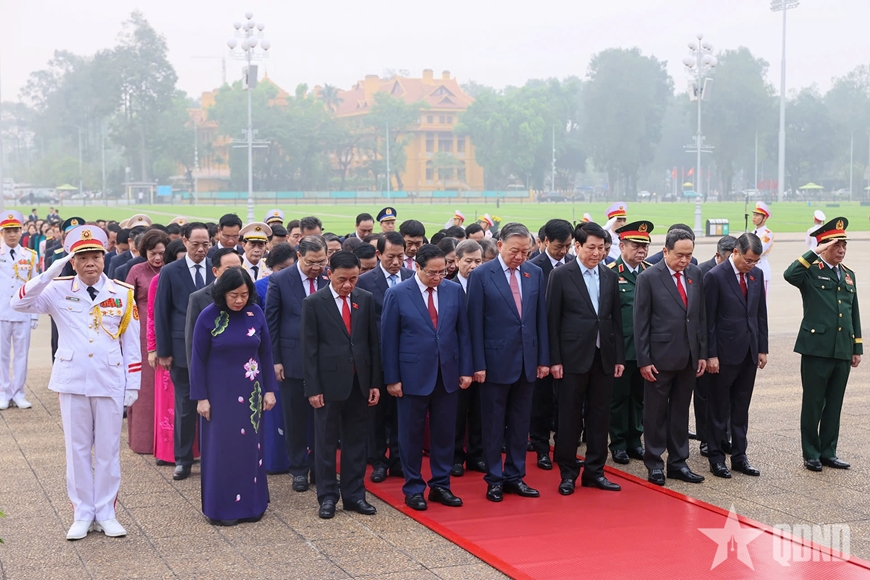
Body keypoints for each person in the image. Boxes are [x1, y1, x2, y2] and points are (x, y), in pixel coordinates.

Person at [12, 224, 140, 540]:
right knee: (77, 450)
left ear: (104, 256)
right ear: (73, 261)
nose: (90, 263)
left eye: (95, 255)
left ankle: (106, 512)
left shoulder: (122, 293)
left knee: (109, 450)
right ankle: (83, 512)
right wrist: (49, 271)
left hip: (110, 379)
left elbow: (133, 342)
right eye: (82, 257)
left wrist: (133, 383)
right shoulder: (57, 289)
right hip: (72, 381)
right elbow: (19, 303)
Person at [381, 244, 472, 511]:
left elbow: (463, 333)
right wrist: (392, 378)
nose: (438, 277)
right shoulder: (397, 293)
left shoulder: (453, 290)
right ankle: (413, 488)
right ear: (417, 267)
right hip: (411, 376)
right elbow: (388, 340)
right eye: (432, 272)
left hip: (447, 373)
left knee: (445, 433)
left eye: (442, 271)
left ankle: (441, 485)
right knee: (410, 434)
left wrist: (466, 369)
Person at [467, 222, 550, 503]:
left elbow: (540, 320)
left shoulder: (534, 273)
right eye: (515, 251)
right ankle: (494, 478)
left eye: (525, 252)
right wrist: (477, 363)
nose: (520, 257)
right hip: (494, 362)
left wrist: (543, 359)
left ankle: (515, 476)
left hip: (527, 361)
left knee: (519, 423)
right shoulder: (481, 275)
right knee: (493, 424)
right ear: (500, 245)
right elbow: (474, 323)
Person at [189, 267, 277, 526]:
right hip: (219, 394)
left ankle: (252, 504)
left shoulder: (255, 313)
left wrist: (270, 389)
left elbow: (267, 354)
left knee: (251, 448)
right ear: (222, 293)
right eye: (233, 295)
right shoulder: (208, 316)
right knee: (222, 450)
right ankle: (223, 507)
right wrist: (201, 397)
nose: (239, 300)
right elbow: (198, 359)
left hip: (252, 390)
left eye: (244, 295)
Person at [301, 251, 381, 519]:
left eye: (354, 279)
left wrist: (373, 383)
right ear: (329, 275)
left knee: (356, 442)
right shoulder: (314, 302)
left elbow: (372, 344)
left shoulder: (365, 299)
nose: (348, 285)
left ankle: (354, 495)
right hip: (328, 384)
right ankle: (327, 497)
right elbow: (309, 349)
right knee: (324, 443)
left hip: (359, 382)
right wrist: (313, 388)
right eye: (342, 279)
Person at [548, 222, 624, 495]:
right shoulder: (561, 275)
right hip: (571, 358)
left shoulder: (610, 276)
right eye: (591, 247)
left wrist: (618, 358)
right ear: (577, 246)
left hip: (603, 357)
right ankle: (568, 473)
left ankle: (595, 471)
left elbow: (615, 320)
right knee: (569, 418)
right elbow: (552, 320)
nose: (597, 253)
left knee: (599, 417)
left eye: (602, 248)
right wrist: (554, 359)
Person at [784, 217, 861, 472]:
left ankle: (829, 451)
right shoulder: (810, 271)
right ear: (823, 245)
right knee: (814, 402)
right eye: (836, 245)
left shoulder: (848, 275)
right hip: (816, 348)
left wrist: (856, 347)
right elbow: (789, 274)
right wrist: (813, 251)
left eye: (844, 246)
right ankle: (811, 453)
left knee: (834, 403)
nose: (841, 250)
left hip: (841, 348)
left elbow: (854, 313)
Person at [634, 226, 707, 487]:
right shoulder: (649, 277)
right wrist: (644, 359)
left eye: (689, 255)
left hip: (688, 357)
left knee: (679, 411)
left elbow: (700, 318)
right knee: (654, 412)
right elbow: (640, 322)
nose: (684, 260)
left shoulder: (695, 274)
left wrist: (702, 353)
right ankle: (654, 462)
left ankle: (678, 462)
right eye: (679, 255)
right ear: (665, 251)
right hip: (659, 357)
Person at [265, 235, 330, 492]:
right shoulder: (280, 280)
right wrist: (276, 360)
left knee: (323, 418)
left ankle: (320, 467)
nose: (317, 267)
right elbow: (271, 322)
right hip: (292, 359)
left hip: (325, 360)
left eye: (322, 261)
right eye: (312, 262)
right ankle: (299, 469)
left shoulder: (329, 277)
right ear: (299, 257)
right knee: (295, 418)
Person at [154, 222, 215, 481]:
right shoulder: (170, 271)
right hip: (181, 349)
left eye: (206, 244)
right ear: (184, 242)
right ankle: (183, 459)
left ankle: (213, 456)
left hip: (215, 347)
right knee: (186, 405)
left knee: (215, 404)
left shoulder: (217, 268)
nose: (201, 249)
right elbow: (162, 313)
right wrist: (164, 351)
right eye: (196, 244)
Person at [704, 233, 768, 479]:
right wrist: (711, 355)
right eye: (748, 260)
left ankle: (740, 457)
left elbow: (759, 313)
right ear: (735, 253)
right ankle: (716, 457)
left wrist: (762, 347)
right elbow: (708, 320)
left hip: (749, 352)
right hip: (723, 353)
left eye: (756, 261)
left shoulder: (756, 275)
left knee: (741, 409)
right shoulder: (715, 276)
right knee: (719, 409)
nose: (751, 265)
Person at [356, 232, 414, 483]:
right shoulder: (365, 281)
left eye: (400, 256)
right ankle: (379, 460)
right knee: (377, 414)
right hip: (377, 358)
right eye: (390, 256)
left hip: (406, 357)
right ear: (379, 254)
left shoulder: (412, 279)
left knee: (403, 413)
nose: (396, 261)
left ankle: (400, 460)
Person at [606, 220, 654, 465]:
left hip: (645, 350)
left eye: (644, 246)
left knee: (639, 398)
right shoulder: (611, 273)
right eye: (636, 246)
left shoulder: (650, 272)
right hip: (621, 349)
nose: (641, 251)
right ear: (622, 245)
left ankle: (635, 440)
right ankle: (618, 443)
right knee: (618, 398)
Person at [528, 219, 574, 470]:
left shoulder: (575, 266)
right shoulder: (533, 268)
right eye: (559, 246)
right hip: (542, 344)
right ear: (545, 241)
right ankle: (541, 448)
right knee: (542, 401)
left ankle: (564, 448)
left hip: (569, 345)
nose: (564, 251)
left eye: (568, 246)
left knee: (566, 401)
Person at [125, 229, 170, 453]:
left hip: (166, 332)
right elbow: (125, 304)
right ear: (145, 252)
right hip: (140, 335)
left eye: (162, 253)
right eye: (153, 253)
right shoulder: (136, 270)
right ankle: (142, 441)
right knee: (144, 390)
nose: (158, 258)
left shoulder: (170, 271)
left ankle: (167, 441)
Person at [147, 239, 189, 466]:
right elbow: (154, 316)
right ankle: (168, 452)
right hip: (169, 350)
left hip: (188, 350)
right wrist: (153, 348)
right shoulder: (161, 278)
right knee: (170, 406)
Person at [694, 235, 737, 458]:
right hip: (705, 343)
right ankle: (704, 438)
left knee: (726, 395)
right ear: (718, 255)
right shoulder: (702, 271)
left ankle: (723, 436)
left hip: (729, 345)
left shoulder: (741, 272)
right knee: (704, 396)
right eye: (728, 259)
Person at [449, 240, 485, 477]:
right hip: (456, 361)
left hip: (482, 359)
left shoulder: (487, 283)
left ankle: (476, 455)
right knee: (456, 413)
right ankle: (454, 457)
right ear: (456, 261)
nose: (473, 266)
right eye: (468, 261)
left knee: (480, 411)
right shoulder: (447, 287)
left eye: (478, 261)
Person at [0, 210, 39, 410]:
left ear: (21, 231)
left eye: (15, 230)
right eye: (8, 231)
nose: (12, 234)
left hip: (22, 312)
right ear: (2, 233)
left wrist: (34, 314)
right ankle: (4, 392)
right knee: (2, 355)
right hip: (1, 313)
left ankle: (19, 393)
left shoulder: (30, 256)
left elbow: (34, 286)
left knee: (22, 355)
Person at [256, 242, 296, 308]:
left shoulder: (300, 284)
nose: (286, 273)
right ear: (272, 266)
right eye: (281, 269)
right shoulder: (259, 287)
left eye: (290, 269)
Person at [751, 201, 774, 300]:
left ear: (764, 218)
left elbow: (758, 251)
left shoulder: (767, 234)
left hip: (761, 267)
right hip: (750, 267)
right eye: (754, 215)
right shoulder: (752, 233)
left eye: (757, 215)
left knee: (761, 301)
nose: (754, 217)